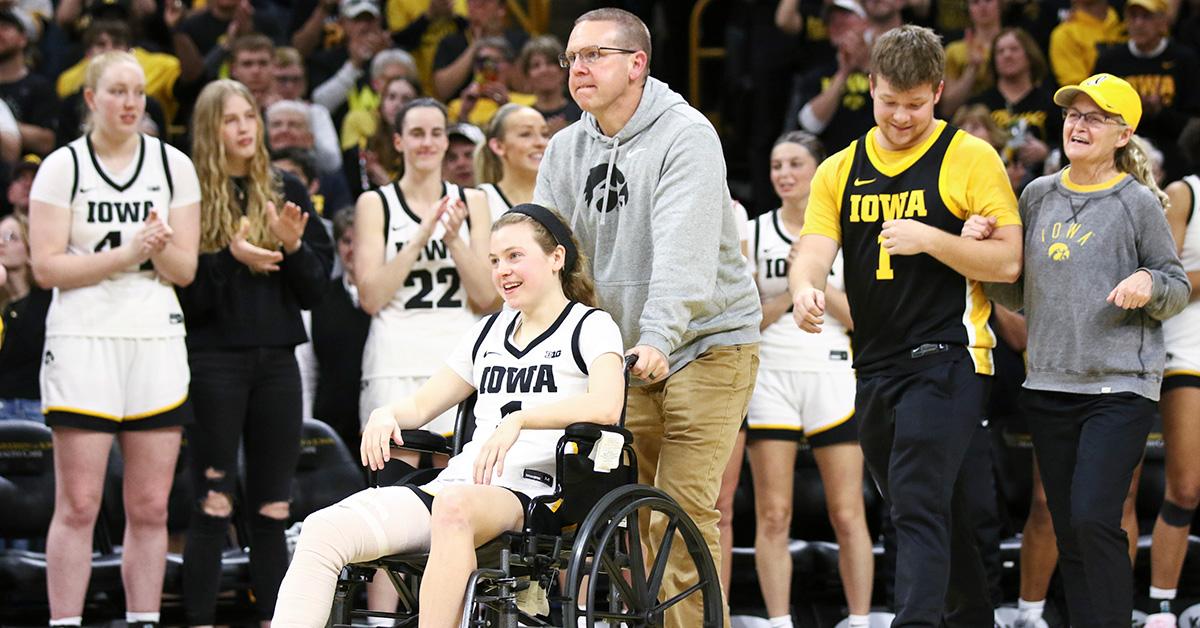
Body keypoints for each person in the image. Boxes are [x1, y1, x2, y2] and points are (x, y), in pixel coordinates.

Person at [272, 204, 626, 628]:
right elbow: (422, 406)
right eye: (494, 260)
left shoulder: (591, 325)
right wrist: (387, 414)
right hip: (456, 488)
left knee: (454, 507)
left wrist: (520, 419)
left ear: (556, 258)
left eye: (515, 256)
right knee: (324, 528)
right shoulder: (487, 332)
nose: (502, 270)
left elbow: (606, 405)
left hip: (539, 493)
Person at [788, 25, 1022, 627]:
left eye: (915, 104)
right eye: (890, 101)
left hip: (950, 354)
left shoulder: (970, 157)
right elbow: (812, 249)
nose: (900, 116)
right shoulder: (840, 167)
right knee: (932, 507)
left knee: (914, 503)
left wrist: (933, 240)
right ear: (872, 87)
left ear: (939, 92)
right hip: (876, 363)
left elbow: (1008, 262)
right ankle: (974, 616)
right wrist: (805, 289)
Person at [534, 8, 761, 627]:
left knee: (678, 513)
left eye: (594, 56)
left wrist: (659, 337)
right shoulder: (563, 148)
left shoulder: (685, 134)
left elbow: (683, 256)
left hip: (706, 343)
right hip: (622, 355)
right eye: (572, 58)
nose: (578, 68)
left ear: (637, 64)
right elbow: (545, 255)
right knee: (625, 521)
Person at [966, 72, 1189, 628]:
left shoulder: (1137, 201)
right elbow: (1015, 290)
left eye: (1094, 116)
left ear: (1123, 134)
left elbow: (1176, 284)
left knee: (1093, 516)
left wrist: (1149, 283)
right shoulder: (1037, 195)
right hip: (1048, 384)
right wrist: (980, 250)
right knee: (1068, 527)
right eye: (1072, 114)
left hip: (1119, 387)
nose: (1078, 124)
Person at [28, 50, 201, 628]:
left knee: (150, 505)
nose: (130, 103)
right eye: (118, 92)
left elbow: (185, 269)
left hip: (153, 336)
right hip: (83, 336)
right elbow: (46, 268)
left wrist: (157, 250)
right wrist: (130, 252)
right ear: (91, 99)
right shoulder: (62, 166)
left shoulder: (173, 164)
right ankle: (65, 621)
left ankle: (144, 619)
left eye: (138, 92)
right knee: (79, 504)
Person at [176, 78, 333, 628]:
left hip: (278, 366)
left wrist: (290, 246)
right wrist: (230, 258)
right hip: (214, 362)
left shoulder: (284, 185)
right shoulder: (190, 190)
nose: (244, 128)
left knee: (273, 509)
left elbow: (316, 289)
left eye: (249, 116)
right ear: (209, 129)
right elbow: (187, 296)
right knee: (212, 505)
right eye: (230, 119)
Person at [719, 131, 874, 628]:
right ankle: (780, 619)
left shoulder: (846, 231)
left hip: (832, 373)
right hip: (772, 379)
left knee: (848, 514)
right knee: (773, 514)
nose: (784, 173)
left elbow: (864, 321)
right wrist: (790, 291)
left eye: (795, 164)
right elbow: (742, 319)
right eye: (776, 165)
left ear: (819, 169)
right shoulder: (756, 232)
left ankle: (861, 618)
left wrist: (817, 283)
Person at [353, 96, 492, 442]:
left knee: (455, 483)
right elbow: (370, 298)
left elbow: (488, 298)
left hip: (457, 360)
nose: (427, 142)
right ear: (399, 141)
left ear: (446, 140)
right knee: (392, 480)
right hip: (393, 361)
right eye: (417, 133)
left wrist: (453, 240)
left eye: (435, 133)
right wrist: (420, 236)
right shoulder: (376, 203)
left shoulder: (474, 202)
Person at [1145, 120, 1200, 627]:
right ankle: (1162, 605)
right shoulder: (1186, 192)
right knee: (1184, 487)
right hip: (1186, 351)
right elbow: (1169, 277)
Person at [1094, 0, 1200, 183]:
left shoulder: (1184, 60)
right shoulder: (1110, 61)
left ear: (1162, 22)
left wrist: (1160, 112)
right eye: (1133, 17)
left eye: (1146, 17)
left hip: (1173, 154)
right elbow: (1096, 112)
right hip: (1121, 151)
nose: (1138, 24)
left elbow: (1193, 123)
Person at [0, 211, 49, 423]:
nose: (1, 243)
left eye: (11, 237)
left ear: (30, 251)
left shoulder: (49, 301)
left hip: (39, 407)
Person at [343, 74, 418, 196]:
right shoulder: (366, 147)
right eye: (391, 97)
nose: (397, 104)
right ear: (382, 103)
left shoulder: (423, 149)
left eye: (406, 99)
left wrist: (386, 182)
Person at [475, 103, 549, 220]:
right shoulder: (480, 200)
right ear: (498, 146)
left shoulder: (560, 196)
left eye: (545, 134)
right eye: (526, 134)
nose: (540, 142)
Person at [518, 35, 583, 135]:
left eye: (550, 63)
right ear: (527, 75)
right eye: (536, 65)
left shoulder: (582, 115)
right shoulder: (521, 119)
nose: (544, 70)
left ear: (564, 70)